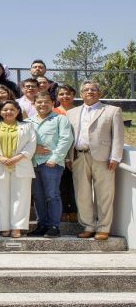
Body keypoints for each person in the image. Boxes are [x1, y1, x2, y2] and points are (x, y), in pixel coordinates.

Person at [67, 81, 124, 241]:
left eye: (93, 90)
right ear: (81, 94)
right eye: (86, 90)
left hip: (103, 158)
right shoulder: (72, 113)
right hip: (79, 156)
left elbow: (118, 136)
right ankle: (88, 226)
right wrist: (68, 157)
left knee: (104, 194)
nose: (89, 92)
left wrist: (115, 157)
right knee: (82, 194)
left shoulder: (112, 111)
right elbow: (69, 137)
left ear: (99, 94)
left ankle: (103, 228)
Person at [0, 100, 37, 238]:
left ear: (18, 111)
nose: (8, 112)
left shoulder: (27, 126)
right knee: (1, 198)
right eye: (5, 109)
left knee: (21, 197)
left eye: (12, 109)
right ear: (0, 112)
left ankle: (17, 228)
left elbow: (31, 145)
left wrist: (17, 158)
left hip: (21, 164)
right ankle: (5, 227)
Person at [27, 92, 74, 238]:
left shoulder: (60, 119)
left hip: (51, 163)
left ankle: (54, 226)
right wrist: (33, 150)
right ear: (34, 104)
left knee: (52, 195)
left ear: (52, 103)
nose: (42, 105)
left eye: (46, 102)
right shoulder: (27, 121)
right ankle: (41, 225)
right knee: (38, 196)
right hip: (33, 163)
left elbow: (66, 139)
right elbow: (23, 142)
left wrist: (55, 158)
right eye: (39, 102)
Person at [53, 84, 78, 222]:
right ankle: (63, 211)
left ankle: (74, 210)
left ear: (74, 95)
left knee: (75, 184)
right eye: (61, 94)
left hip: (76, 153)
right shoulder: (53, 112)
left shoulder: (80, 111)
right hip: (58, 153)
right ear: (57, 97)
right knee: (61, 184)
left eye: (68, 93)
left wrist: (70, 157)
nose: (65, 96)